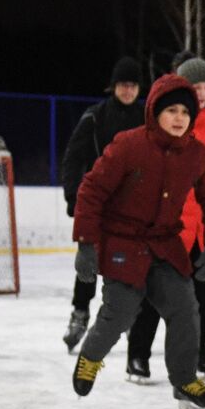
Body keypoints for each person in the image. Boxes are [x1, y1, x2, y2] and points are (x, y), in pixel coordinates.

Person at [69, 74, 205, 409]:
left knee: (185, 310)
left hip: (165, 245)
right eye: (171, 110)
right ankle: (90, 356)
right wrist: (85, 243)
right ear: (155, 111)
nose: (179, 118)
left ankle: (184, 380)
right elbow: (91, 191)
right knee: (119, 313)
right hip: (123, 243)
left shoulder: (196, 153)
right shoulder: (128, 145)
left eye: (185, 112)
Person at [125, 57, 205, 382]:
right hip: (167, 226)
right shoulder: (167, 120)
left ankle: (199, 352)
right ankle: (138, 355)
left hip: (203, 229)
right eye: (195, 87)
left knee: (202, 294)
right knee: (156, 295)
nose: (201, 93)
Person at [58, 57, 146, 353]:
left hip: (133, 208)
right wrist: (73, 196)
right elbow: (73, 158)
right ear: (114, 87)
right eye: (123, 85)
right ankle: (79, 314)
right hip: (98, 203)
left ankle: (131, 318)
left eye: (133, 85)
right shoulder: (95, 117)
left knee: (131, 265)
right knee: (89, 262)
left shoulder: (148, 118)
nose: (128, 90)